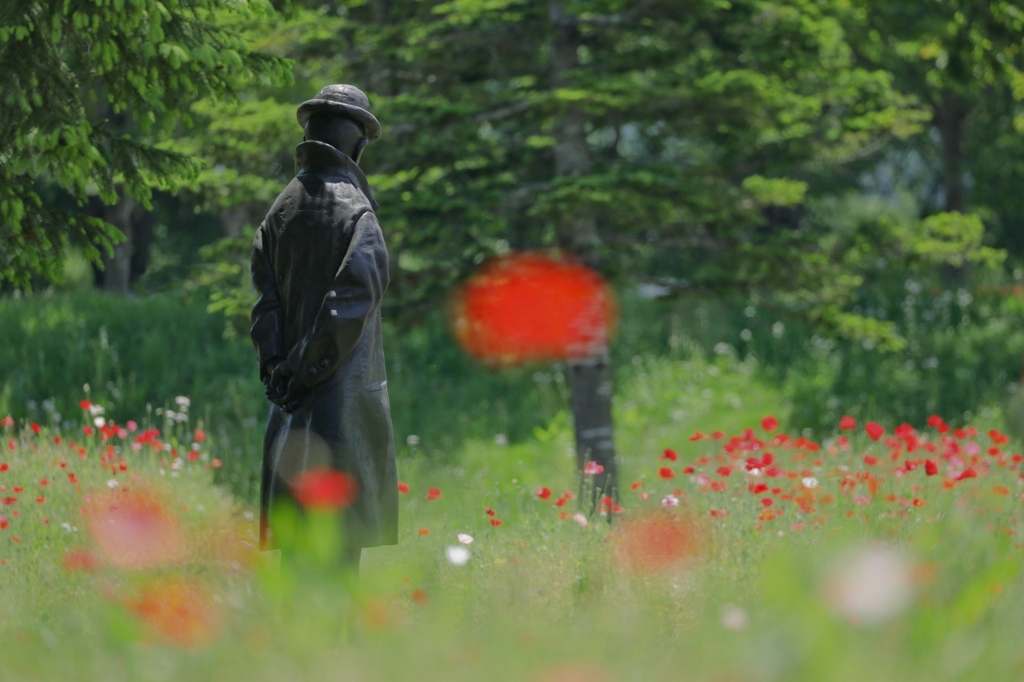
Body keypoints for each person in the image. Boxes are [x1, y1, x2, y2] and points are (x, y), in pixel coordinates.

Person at [250, 84, 397, 571]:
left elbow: (264, 302)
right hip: (341, 410)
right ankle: (336, 650)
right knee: (337, 560)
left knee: (297, 559)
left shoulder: (280, 210)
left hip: (289, 405)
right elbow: (349, 306)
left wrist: (277, 367)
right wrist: (302, 367)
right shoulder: (358, 213)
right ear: (354, 142)